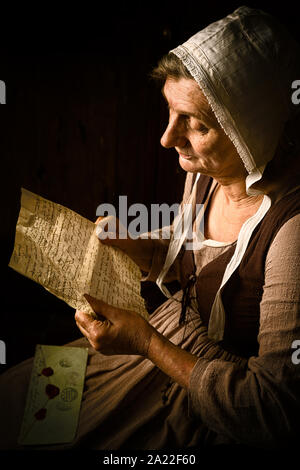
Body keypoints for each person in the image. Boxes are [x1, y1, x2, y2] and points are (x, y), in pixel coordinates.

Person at [1, 6, 300, 451]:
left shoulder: (291, 231)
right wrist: (132, 246)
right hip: (159, 339)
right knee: (13, 398)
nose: (167, 138)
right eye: (170, 112)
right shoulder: (204, 172)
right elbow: (190, 265)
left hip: (203, 393)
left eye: (196, 124)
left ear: (248, 131)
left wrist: (144, 341)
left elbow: (273, 405)